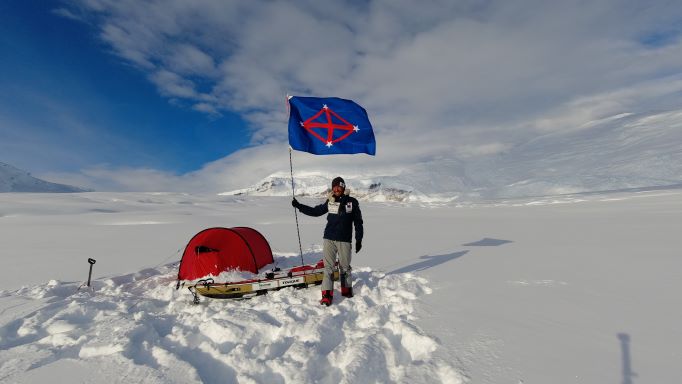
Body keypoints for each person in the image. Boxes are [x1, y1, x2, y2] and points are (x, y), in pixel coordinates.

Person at [292, 176, 363, 306]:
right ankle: (326, 295)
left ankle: (346, 290)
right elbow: (315, 211)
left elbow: (358, 222)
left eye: (339, 186)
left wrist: (359, 239)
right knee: (328, 268)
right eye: (334, 186)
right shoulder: (330, 201)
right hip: (329, 239)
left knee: (345, 267)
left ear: (343, 187)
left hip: (344, 240)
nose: (336, 189)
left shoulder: (352, 202)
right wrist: (299, 206)